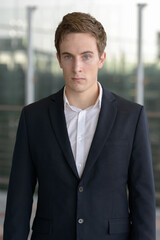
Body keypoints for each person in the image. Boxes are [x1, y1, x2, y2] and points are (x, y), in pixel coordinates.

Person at [4, 12, 156, 240]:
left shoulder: (131, 116)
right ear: (58, 59)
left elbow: (142, 198)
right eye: (68, 57)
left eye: (86, 56)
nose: (77, 67)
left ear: (101, 58)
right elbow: (19, 198)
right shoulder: (33, 117)